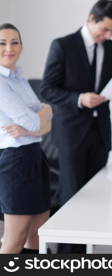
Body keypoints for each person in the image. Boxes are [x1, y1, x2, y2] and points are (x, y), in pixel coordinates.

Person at [40, 0, 112, 208]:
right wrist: (79, 99)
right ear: (91, 19)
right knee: (72, 199)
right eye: (105, 30)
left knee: (98, 198)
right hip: (70, 135)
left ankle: (88, 243)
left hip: (100, 134)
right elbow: (47, 89)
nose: (108, 36)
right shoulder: (63, 46)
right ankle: (68, 243)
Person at [0, 23, 53, 254]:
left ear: (21, 46)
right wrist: (41, 118)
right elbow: (36, 121)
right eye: (2, 43)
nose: (9, 48)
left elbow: (46, 117)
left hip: (34, 156)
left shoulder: (18, 78)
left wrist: (40, 118)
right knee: (15, 237)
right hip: (15, 161)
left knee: (38, 235)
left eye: (14, 42)